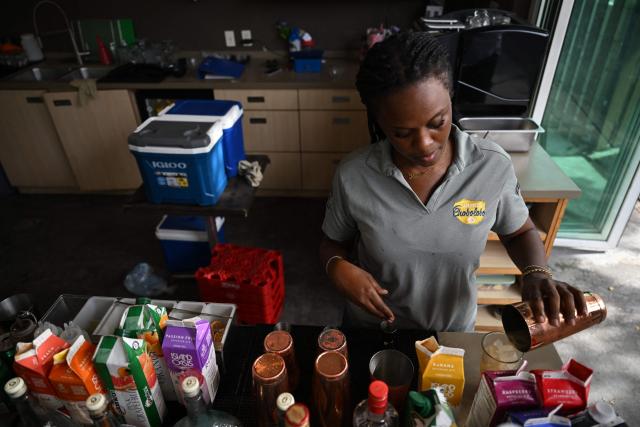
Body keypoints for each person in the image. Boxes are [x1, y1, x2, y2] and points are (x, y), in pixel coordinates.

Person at [319, 31, 587, 332]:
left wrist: (536, 272)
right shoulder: (355, 174)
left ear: (450, 99)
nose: (424, 145)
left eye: (437, 123)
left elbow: (519, 231)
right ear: (378, 122)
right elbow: (332, 243)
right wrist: (337, 267)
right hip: (374, 329)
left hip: (452, 332)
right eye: (402, 133)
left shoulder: (490, 166)